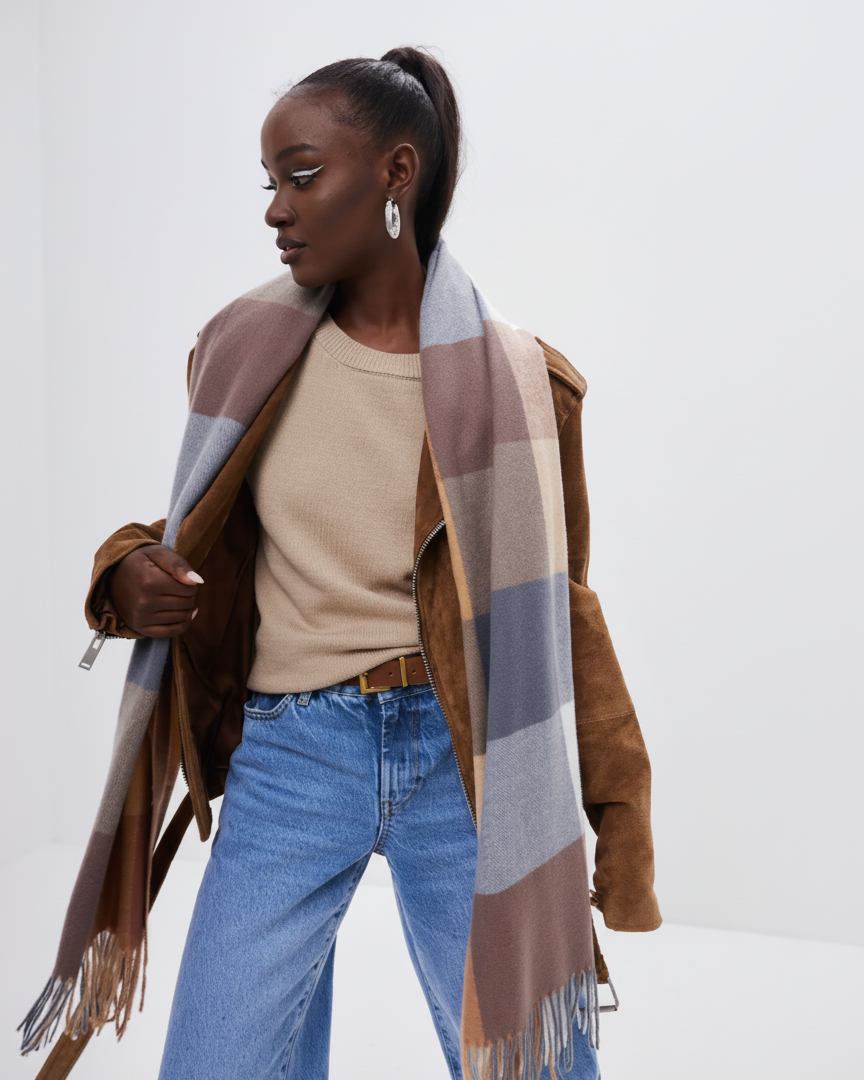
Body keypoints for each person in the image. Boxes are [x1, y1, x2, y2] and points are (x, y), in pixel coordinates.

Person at [19, 47, 660, 1080]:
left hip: (465, 763)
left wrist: (619, 818)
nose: (276, 207)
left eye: (302, 174)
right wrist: (125, 575)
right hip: (290, 754)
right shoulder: (238, 351)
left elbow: (563, 617)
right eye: (269, 182)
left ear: (395, 174)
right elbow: (197, 531)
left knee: (532, 1071)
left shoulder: (529, 389)